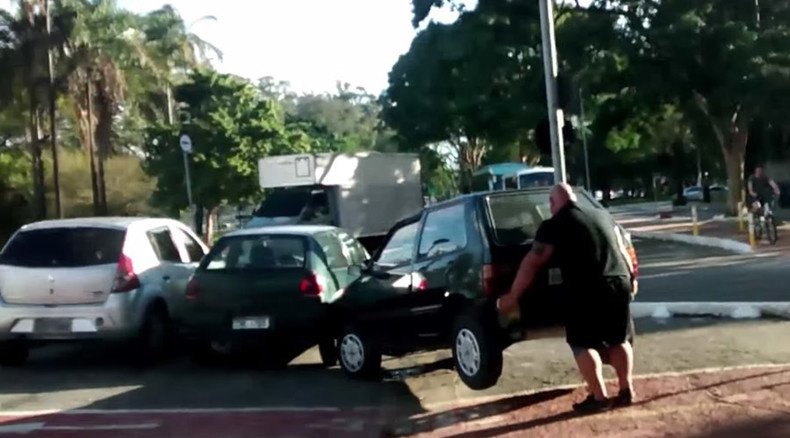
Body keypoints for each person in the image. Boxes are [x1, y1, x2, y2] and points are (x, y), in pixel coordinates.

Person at [497, 183, 636, 413]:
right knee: (618, 338)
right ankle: (625, 389)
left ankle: (599, 397)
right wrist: (632, 277)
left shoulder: (554, 225)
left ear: (552, 203)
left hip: (587, 288)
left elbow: (533, 261)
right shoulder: (601, 214)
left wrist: (513, 295)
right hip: (618, 280)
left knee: (582, 342)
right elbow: (622, 248)